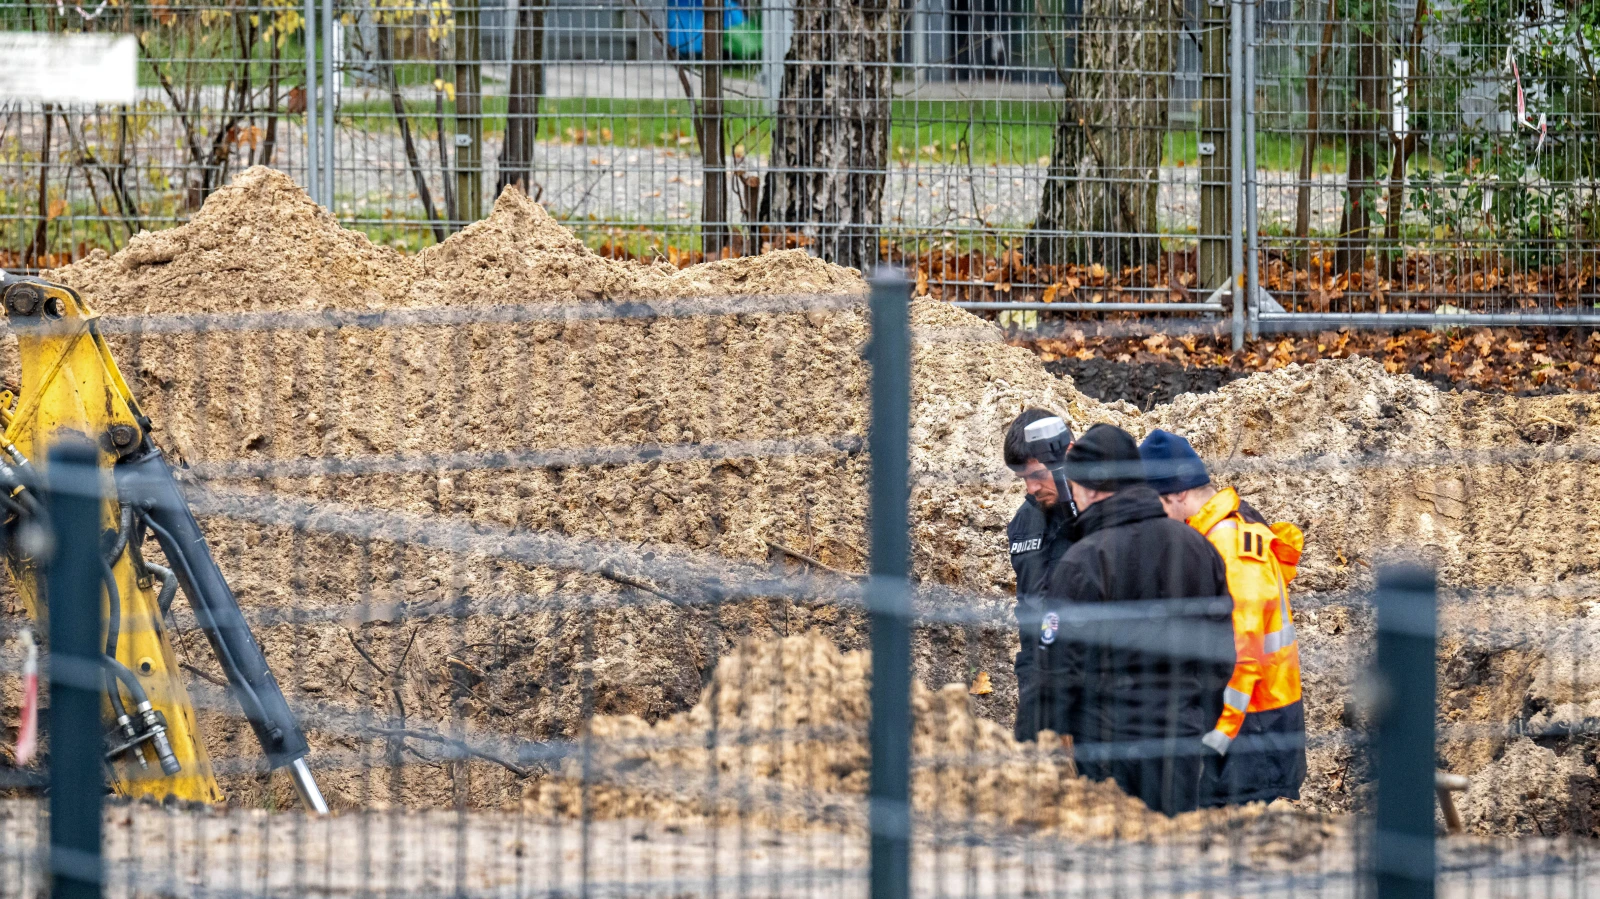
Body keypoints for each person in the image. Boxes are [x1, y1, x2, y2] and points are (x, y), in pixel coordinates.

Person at [1038, 423, 1235, 816]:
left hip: (1108, 749)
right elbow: (1221, 655)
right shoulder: (1198, 547)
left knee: (1117, 860)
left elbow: (1058, 666)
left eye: (1074, 487)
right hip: (1179, 745)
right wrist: (1195, 719)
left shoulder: (1082, 562)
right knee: (1172, 855)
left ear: (1092, 488)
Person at [1139, 429, 1307, 806]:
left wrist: (1217, 736)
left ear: (1179, 493)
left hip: (1252, 732)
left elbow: (1244, 654)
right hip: (1254, 724)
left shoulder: (1229, 545)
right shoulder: (1223, 529)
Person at [1002, 409, 1077, 742]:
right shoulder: (1023, 523)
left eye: (1038, 474)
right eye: (1023, 479)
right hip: (1040, 679)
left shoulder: (1101, 515)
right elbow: (1029, 610)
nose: (1031, 488)